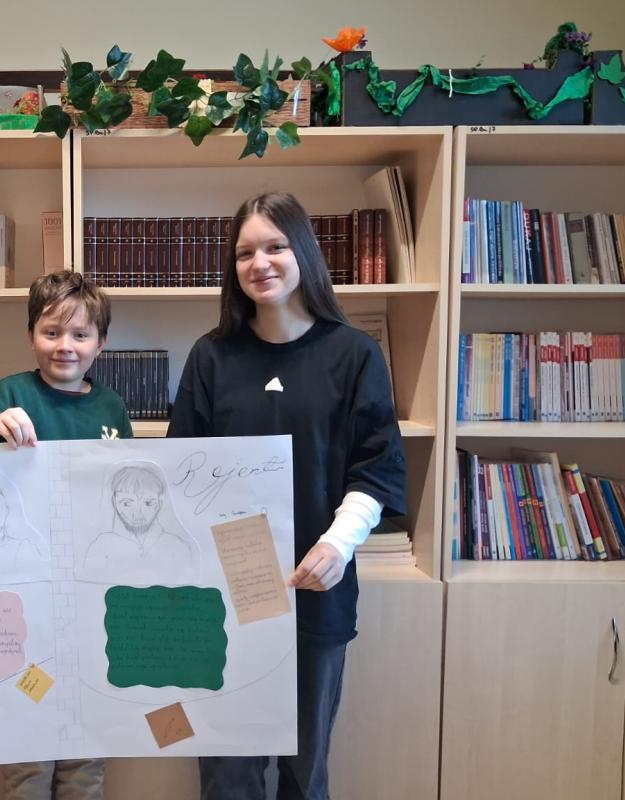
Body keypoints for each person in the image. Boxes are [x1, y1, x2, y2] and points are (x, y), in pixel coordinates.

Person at [166, 192, 406, 800]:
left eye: (275, 246)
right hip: (225, 600)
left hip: (317, 594)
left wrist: (339, 544)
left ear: (304, 251)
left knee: (305, 774)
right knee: (228, 777)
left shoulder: (354, 354)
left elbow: (377, 466)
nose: (260, 263)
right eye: (245, 252)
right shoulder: (211, 357)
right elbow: (181, 471)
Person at [0, 269, 131, 800]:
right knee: (27, 750)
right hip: (23, 598)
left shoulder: (112, 407)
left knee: (86, 750)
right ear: (31, 335)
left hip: (90, 596)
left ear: (101, 342)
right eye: (51, 332)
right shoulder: (11, 392)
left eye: (80, 334)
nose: (65, 346)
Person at [82, 463, 198, 583]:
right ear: (114, 502)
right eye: (126, 503)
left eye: (148, 503)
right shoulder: (101, 546)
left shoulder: (177, 547)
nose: (138, 513)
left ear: (160, 502)